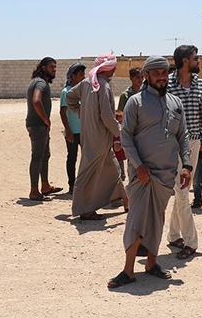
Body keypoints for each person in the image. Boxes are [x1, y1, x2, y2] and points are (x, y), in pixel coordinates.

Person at [108, 55, 191, 289]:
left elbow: (183, 136)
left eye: (164, 73)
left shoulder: (176, 103)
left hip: (166, 175)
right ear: (147, 75)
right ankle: (128, 270)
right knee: (136, 220)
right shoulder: (135, 102)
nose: (161, 77)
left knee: (157, 219)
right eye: (156, 73)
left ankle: (152, 264)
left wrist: (186, 165)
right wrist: (138, 165)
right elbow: (126, 137)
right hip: (142, 175)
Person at [166, 45, 202, 260]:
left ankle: (172, 235)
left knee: (182, 191)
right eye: (195, 58)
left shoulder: (199, 84)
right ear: (184, 61)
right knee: (182, 191)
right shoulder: (168, 84)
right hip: (172, 145)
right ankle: (191, 242)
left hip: (195, 144)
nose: (198, 61)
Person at [65, 54, 127, 220]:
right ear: (109, 68)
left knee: (113, 169)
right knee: (87, 173)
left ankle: (126, 200)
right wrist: (120, 133)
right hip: (99, 138)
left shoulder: (86, 83)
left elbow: (70, 97)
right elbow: (107, 117)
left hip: (90, 135)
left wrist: (80, 111)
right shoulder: (104, 87)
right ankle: (82, 209)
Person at [25, 57, 62, 201]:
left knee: (45, 155)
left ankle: (45, 186)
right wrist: (46, 119)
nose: (54, 69)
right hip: (38, 126)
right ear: (44, 67)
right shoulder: (40, 83)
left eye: (55, 67)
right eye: (52, 67)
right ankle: (34, 191)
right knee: (37, 157)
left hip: (39, 126)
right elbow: (36, 100)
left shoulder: (37, 82)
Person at [59, 62, 86, 194]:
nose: (83, 77)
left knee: (87, 157)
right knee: (72, 157)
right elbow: (63, 112)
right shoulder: (67, 92)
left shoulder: (82, 90)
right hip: (72, 131)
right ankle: (72, 185)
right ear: (73, 76)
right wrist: (68, 130)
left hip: (84, 131)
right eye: (81, 74)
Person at [116, 67, 144, 182]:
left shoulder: (145, 93)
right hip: (131, 131)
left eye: (142, 77)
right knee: (132, 159)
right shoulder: (126, 95)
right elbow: (119, 114)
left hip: (143, 132)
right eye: (137, 77)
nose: (140, 80)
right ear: (131, 78)